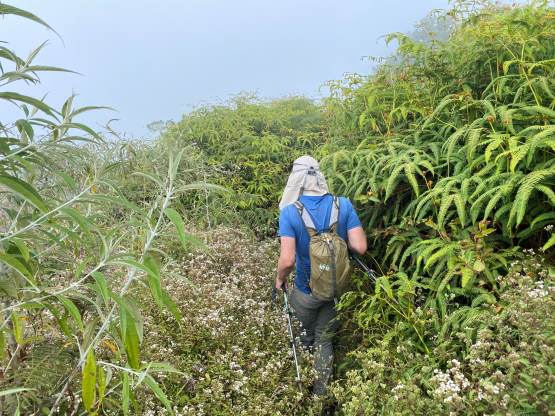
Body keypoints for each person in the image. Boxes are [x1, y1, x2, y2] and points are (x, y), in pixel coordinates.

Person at [275, 155, 367, 395]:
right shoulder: (343, 204)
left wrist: (280, 278)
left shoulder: (289, 212)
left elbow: (287, 260)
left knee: (302, 338)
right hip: (334, 289)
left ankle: (301, 389)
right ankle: (321, 395)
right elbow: (360, 247)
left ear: (296, 179)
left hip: (305, 291)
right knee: (323, 340)